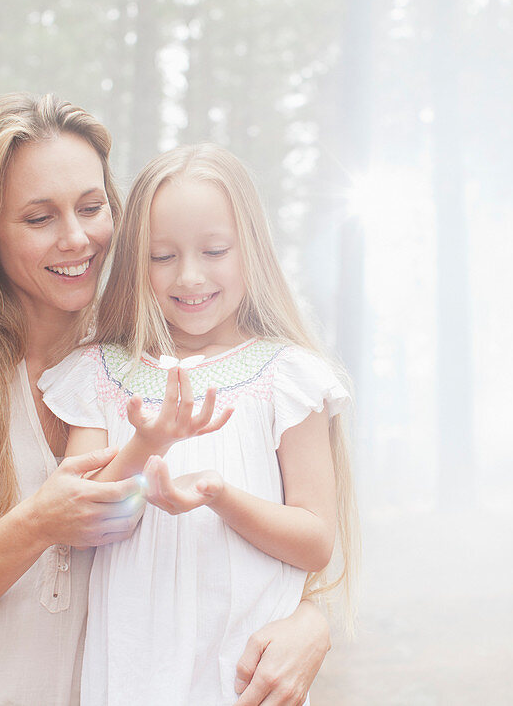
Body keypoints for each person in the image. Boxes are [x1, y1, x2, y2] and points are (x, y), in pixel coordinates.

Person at [0, 94, 333, 705]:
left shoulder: (139, 371)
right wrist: (32, 526)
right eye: (38, 218)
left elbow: (250, 539)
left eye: (91, 206)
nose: (76, 239)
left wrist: (312, 621)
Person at [38, 143, 359, 705]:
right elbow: (77, 522)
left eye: (214, 250)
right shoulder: (100, 375)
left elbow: (315, 543)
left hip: (243, 675)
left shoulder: (287, 378)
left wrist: (219, 495)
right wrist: (148, 441)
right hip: (132, 673)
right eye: (163, 256)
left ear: (250, 250)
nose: (190, 276)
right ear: (136, 260)